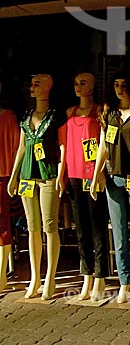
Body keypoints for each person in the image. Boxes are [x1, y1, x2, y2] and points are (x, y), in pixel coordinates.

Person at [90, 71, 130, 305]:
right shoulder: (109, 114)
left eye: (124, 84)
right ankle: (124, 282)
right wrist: (97, 175)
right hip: (113, 178)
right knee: (118, 232)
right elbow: (102, 147)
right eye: (116, 84)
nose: (120, 89)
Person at [7, 74, 65, 300]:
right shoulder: (26, 116)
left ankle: (50, 276)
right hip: (27, 177)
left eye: (37, 84)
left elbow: (62, 146)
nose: (32, 88)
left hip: (48, 174)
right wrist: (14, 176)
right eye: (31, 84)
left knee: (49, 226)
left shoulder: (56, 116)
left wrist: (61, 174)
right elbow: (21, 148)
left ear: (48, 87)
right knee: (32, 227)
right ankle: (35, 277)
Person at [64, 73, 109, 301]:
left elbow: (103, 142)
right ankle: (87, 275)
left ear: (92, 86)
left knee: (97, 225)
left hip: (92, 174)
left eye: (83, 83)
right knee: (81, 229)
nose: (78, 86)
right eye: (76, 82)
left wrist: (100, 171)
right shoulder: (70, 113)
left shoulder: (100, 111)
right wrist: (62, 174)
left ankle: (100, 276)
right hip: (74, 174)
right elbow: (65, 146)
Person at [0, 80, 20, 293]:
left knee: (2, 224)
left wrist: (14, 176)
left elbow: (16, 147)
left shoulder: (8, 117)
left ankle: (2, 273)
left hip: (3, 174)